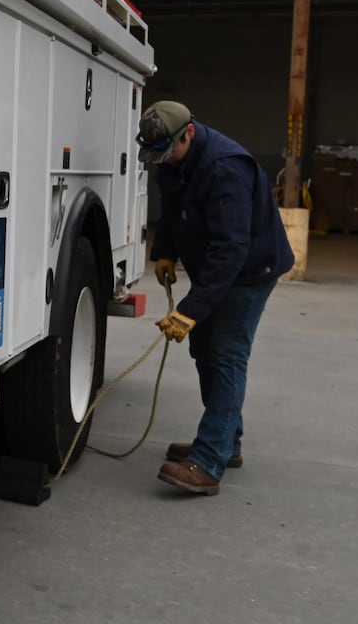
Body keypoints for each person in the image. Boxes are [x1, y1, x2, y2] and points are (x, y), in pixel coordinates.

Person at [137, 100, 294, 496]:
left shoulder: (226, 169)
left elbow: (231, 250)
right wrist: (165, 252)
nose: (163, 160)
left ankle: (208, 461)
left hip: (249, 271)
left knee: (225, 356)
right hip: (217, 267)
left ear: (188, 133)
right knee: (203, 351)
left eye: (167, 151)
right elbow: (171, 211)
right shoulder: (173, 161)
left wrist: (190, 310)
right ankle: (227, 442)